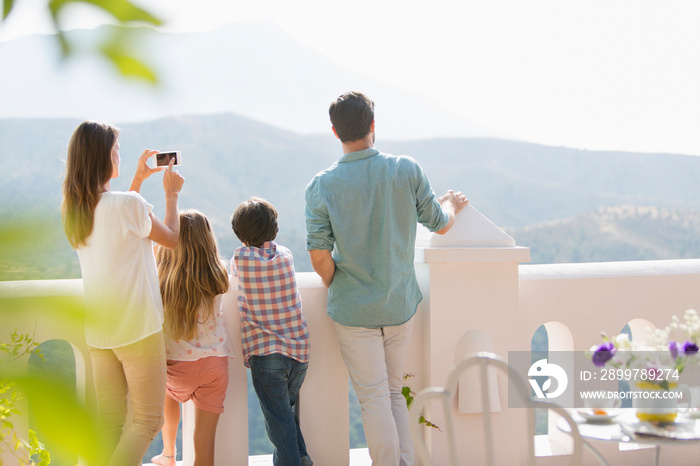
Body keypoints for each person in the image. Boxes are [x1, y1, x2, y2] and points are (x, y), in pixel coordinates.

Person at [304, 91, 469, 466]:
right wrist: (450, 204)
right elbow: (440, 225)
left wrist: (341, 286)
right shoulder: (405, 169)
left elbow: (318, 256)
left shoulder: (322, 186)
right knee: (394, 393)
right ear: (373, 126)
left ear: (335, 132)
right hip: (399, 304)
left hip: (353, 311)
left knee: (374, 398)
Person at [61, 121, 184, 465]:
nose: (119, 154)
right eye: (116, 149)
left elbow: (122, 221)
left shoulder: (75, 210)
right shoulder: (126, 205)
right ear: (102, 157)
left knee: (109, 424)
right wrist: (171, 195)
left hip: (100, 334)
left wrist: (137, 182)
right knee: (147, 421)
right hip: (138, 329)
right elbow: (171, 238)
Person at [230, 197, 313, 466]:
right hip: (299, 352)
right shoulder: (286, 254)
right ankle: (302, 458)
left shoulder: (240, 257)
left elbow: (232, 278)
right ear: (274, 230)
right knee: (284, 417)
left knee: (278, 422)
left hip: (266, 355)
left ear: (239, 233)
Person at [151, 209, 232, 466]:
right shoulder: (219, 274)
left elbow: (152, 252)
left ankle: (168, 453)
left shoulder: (162, 278)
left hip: (175, 367)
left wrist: (163, 242)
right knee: (204, 442)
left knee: (168, 395)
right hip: (214, 365)